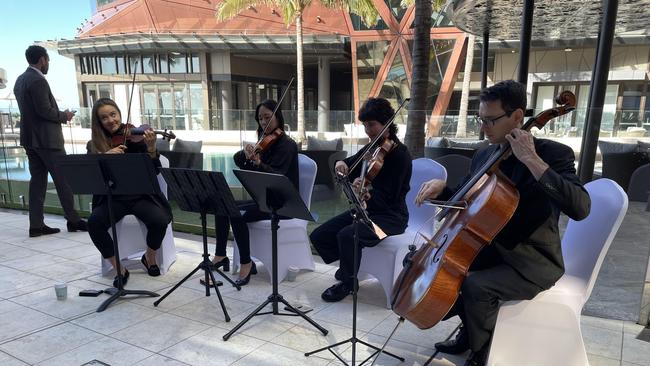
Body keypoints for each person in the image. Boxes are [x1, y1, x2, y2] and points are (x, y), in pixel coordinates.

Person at [414, 80, 591, 366]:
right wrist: (444, 188)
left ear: (518, 117)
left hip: (531, 261)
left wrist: (530, 159)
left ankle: (482, 353)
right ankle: (469, 334)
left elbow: (580, 207)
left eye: (491, 120)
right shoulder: (486, 152)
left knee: (476, 286)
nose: (483, 127)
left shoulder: (554, 154)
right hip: (491, 247)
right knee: (454, 268)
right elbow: (468, 196)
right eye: (480, 119)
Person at [310, 97, 412, 302]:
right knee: (319, 235)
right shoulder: (371, 149)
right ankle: (349, 265)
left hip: (390, 219)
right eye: (365, 125)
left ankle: (348, 282)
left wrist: (367, 191)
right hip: (366, 212)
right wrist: (340, 164)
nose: (368, 130)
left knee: (348, 235)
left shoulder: (400, 156)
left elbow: (390, 198)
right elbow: (347, 163)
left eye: (372, 124)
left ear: (387, 124)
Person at [201, 99, 299, 287]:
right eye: (260, 118)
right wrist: (246, 153)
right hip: (263, 200)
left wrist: (259, 163)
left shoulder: (288, 145)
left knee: (236, 215)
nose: (263, 122)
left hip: (283, 204)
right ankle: (220, 255)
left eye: (267, 117)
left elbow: (278, 177)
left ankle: (246, 262)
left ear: (277, 117)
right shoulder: (264, 143)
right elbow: (238, 160)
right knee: (223, 205)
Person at [86, 98, 172, 287]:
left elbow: (155, 171)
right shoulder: (95, 145)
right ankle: (119, 269)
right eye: (104, 117)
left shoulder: (136, 138)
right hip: (113, 198)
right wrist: (104, 157)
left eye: (113, 114)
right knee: (93, 224)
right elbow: (90, 174)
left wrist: (151, 149)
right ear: (98, 122)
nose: (111, 120)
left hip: (140, 196)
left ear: (119, 114)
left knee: (160, 220)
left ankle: (149, 257)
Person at [13, 45, 87, 237]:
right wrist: (65, 115)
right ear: (42, 59)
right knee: (64, 180)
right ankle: (73, 220)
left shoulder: (20, 80)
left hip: (30, 139)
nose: (48, 64)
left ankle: (36, 225)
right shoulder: (38, 80)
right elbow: (44, 110)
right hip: (47, 140)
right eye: (48, 60)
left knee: (37, 182)